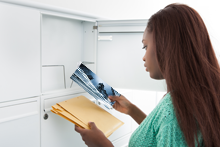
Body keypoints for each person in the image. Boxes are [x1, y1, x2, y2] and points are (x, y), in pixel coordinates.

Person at [75, 3, 220, 147]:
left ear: (167, 45)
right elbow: (164, 135)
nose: (144, 57)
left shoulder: (175, 107)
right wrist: (133, 111)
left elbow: (172, 127)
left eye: (145, 46)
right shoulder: (200, 94)